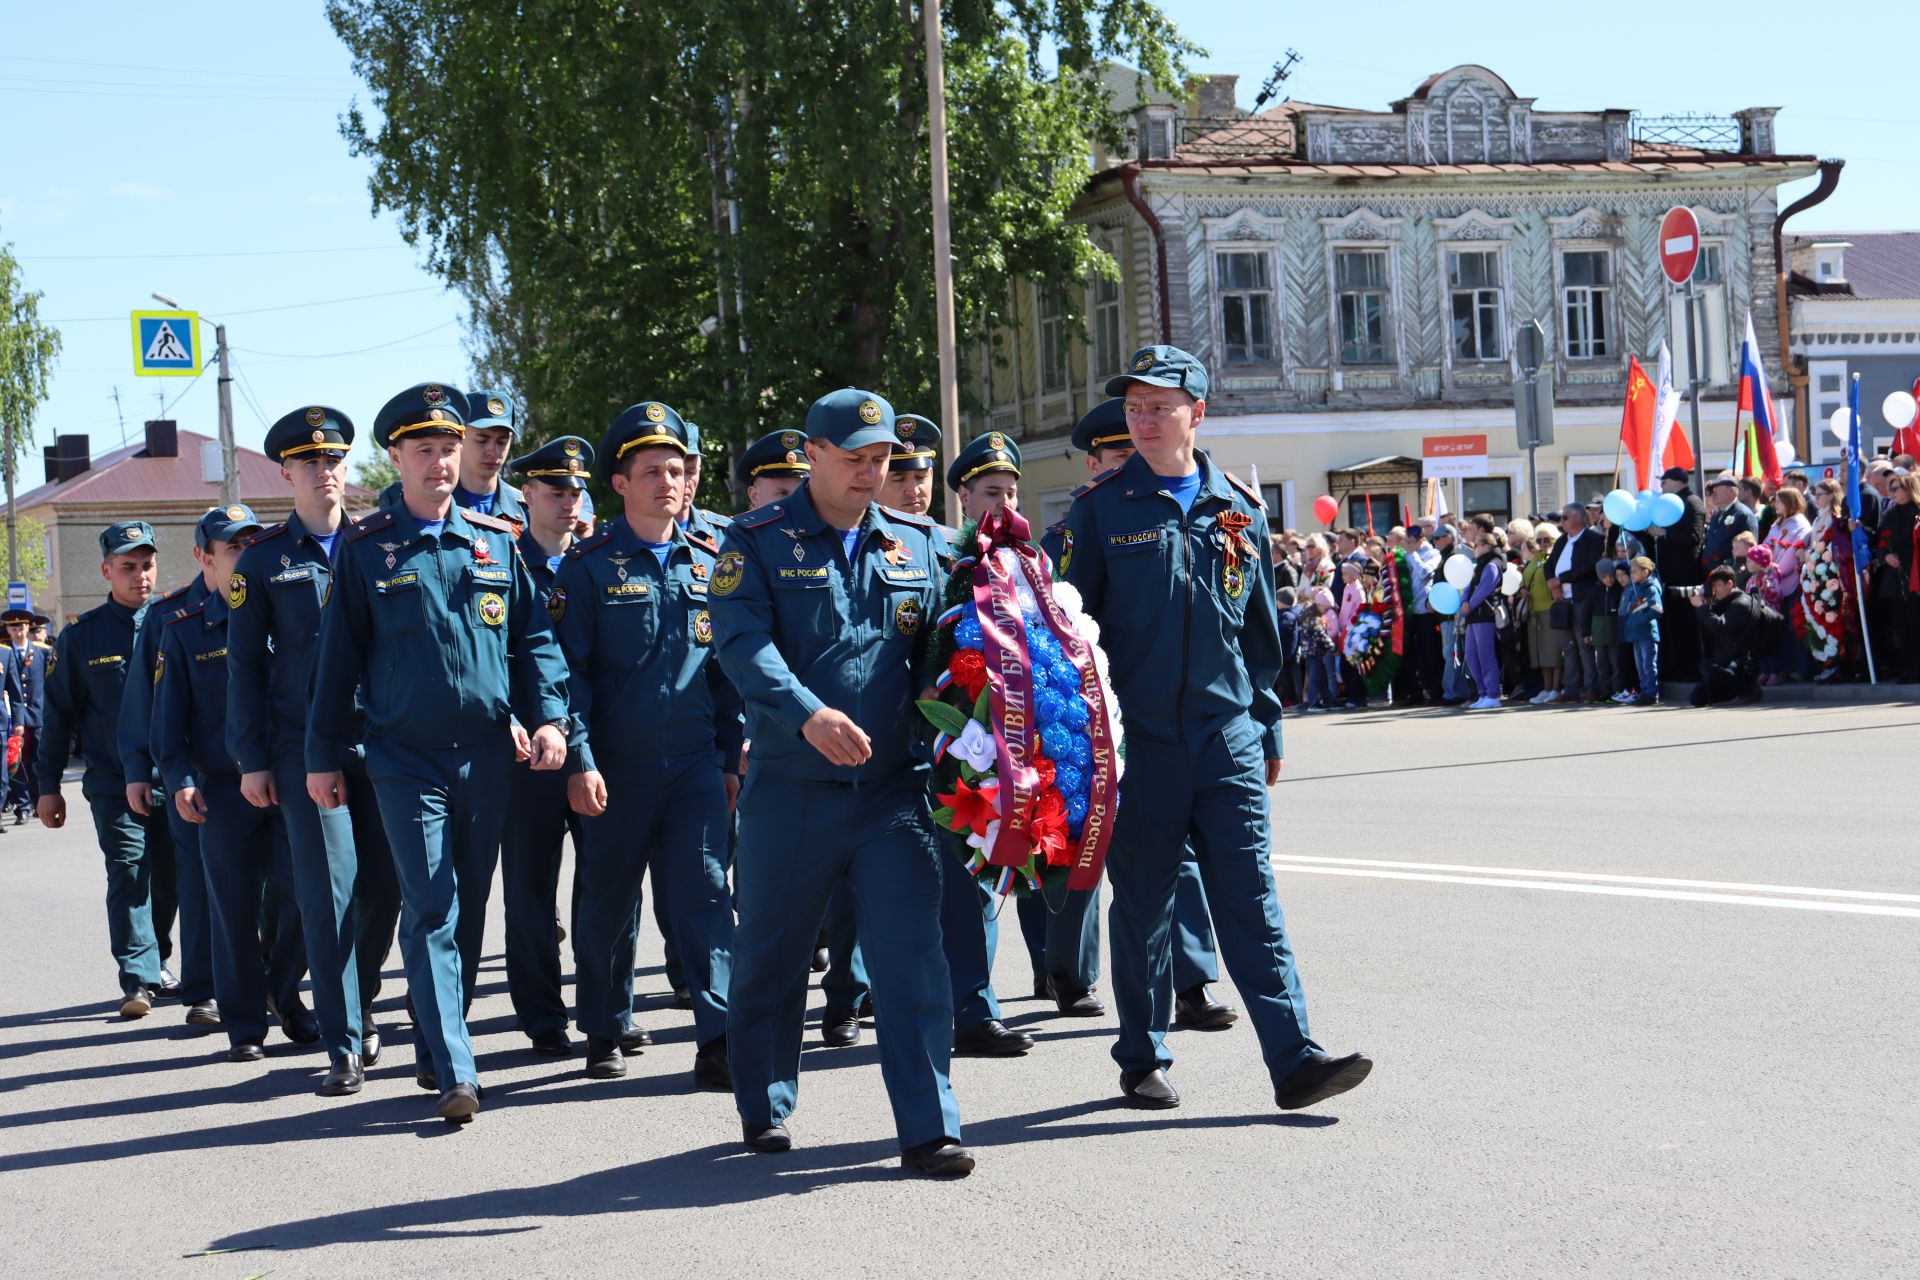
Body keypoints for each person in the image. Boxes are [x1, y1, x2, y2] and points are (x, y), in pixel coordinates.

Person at [1062, 344, 1371, 1114]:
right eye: (1133, 406)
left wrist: (1266, 728)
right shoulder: (1100, 513)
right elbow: (1070, 634)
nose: (1142, 419)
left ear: (1196, 414)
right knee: (1143, 905)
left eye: (1158, 406)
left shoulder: (1239, 509)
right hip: (1142, 746)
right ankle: (1141, 1057)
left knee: (1251, 897)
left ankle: (1295, 1058)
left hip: (1225, 735)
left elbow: (1260, 637)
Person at [710, 387, 973, 1176]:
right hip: (793, 790)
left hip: (893, 794)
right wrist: (804, 713)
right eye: (854, 459)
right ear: (812, 456)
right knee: (771, 957)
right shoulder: (754, 540)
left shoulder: (921, 546)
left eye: (881, 458)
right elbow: (740, 643)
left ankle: (929, 1128)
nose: (870, 473)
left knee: (910, 959)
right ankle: (764, 1104)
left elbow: (954, 651)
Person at [308, 381, 572, 1123]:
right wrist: (322, 754)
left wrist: (548, 717)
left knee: (468, 909)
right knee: (431, 907)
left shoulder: (495, 541)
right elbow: (337, 663)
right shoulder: (365, 549)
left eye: (449, 448)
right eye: (423, 450)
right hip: (403, 757)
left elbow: (533, 642)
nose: (440, 463)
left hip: (487, 754)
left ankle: (432, 1042)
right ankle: (459, 1068)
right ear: (395, 456)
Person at [559, 405, 741, 1089]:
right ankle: (604, 1025)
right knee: (608, 903)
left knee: (704, 897)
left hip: (694, 764)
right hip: (615, 767)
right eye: (651, 472)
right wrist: (579, 759)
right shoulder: (588, 568)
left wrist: (728, 757)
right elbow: (565, 673)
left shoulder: (711, 561)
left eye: (675, 470)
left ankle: (719, 1035)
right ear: (620, 483)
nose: (669, 483)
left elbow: (726, 670)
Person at [1040, 401, 1235, 1030]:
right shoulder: (1077, 530)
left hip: (1161, 725)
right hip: (1092, 726)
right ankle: (1068, 971)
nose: (1134, 463)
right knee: (1083, 854)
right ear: (1094, 464)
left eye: (1135, 450)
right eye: (1118, 456)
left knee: (1174, 862)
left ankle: (1193, 982)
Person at [228, 407, 402, 1094]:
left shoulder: (378, 546)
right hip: (303, 748)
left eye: (335, 460)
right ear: (286, 473)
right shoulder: (263, 562)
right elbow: (244, 668)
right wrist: (252, 759)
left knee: (385, 892)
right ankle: (345, 1041)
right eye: (311, 462)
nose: (326, 471)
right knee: (330, 895)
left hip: (384, 741)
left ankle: (358, 1002)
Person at [153, 503, 317, 1066]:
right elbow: (166, 723)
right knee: (233, 908)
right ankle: (245, 1024)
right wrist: (178, 780)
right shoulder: (182, 629)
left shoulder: (289, 614)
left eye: (253, 545)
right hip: (223, 790)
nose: (245, 559)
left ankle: (284, 987)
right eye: (232, 550)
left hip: (294, 776)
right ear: (206, 559)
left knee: (304, 892)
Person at [37, 522, 181, 1017]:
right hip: (112, 781)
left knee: (169, 878)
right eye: (128, 566)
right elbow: (57, 717)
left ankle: (156, 959)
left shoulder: (178, 619)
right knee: (128, 869)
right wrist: (48, 787)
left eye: (147, 564)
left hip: (177, 778)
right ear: (106, 571)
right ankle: (137, 978)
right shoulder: (81, 637)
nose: (140, 575)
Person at [494, 434, 599, 1059]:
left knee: (602, 886)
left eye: (576, 491)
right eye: (556, 491)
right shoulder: (500, 560)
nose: (568, 502)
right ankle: (541, 1016)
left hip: (593, 748)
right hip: (527, 753)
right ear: (526, 495)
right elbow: (492, 657)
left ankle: (601, 1007)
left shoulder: (597, 561)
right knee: (530, 892)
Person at [934, 431, 1036, 1057]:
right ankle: (863, 989)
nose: (1001, 502)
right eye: (990, 491)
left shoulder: (1030, 565)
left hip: (1010, 742)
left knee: (983, 870)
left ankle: (976, 1006)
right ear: (965, 498)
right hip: (949, 739)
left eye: (1010, 491)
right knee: (949, 878)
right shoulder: (944, 562)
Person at [115, 552, 226, 1031]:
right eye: (232, 545)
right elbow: (144, 700)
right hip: (194, 773)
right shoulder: (167, 615)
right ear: (203, 554)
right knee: (197, 877)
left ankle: (259, 976)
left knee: (273, 884)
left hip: (265, 767)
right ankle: (203, 988)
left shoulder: (265, 595)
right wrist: (139, 769)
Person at [1650, 466, 1709, 682]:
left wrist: (1664, 533)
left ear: (1675, 482)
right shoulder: (1670, 503)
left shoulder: (1692, 503)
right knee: (1673, 624)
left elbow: (1694, 537)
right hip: (1670, 575)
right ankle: (1677, 667)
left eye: (1664, 483)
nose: (1662, 487)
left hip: (1686, 575)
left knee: (1686, 624)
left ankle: (1690, 669)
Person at [1545, 505, 1603, 703]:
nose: (1562, 521)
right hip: (1563, 601)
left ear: (1579, 517)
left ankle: (1591, 688)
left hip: (1581, 599)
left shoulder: (1593, 539)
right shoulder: (1562, 540)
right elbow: (1549, 565)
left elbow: (1588, 567)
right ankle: (1571, 688)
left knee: (1584, 646)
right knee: (1568, 646)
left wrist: (1562, 579)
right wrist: (1552, 583)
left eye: (1566, 517)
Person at [1758, 486, 1812, 685]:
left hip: (1789, 583)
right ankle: (1776, 668)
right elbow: (1766, 546)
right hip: (1771, 582)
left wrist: (1775, 570)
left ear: (1790, 503)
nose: (1775, 504)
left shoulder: (1801, 525)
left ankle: (1798, 669)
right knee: (1775, 629)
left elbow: (1792, 554)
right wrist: (1761, 565)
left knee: (1793, 627)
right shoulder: (1776, 525)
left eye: (1779, 501)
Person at [1689, 566, 1763, 706]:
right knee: (1696, 698)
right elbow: (1708, 631)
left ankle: (1748, 688)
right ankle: (1734, 691)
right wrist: (1707, 604)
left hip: (1742, 663)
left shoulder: (1741, 603)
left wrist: (1702, 608)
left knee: (1706, 666)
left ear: (1729, 584)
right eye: (1712, 586)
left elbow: (1720, 626)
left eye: (1717, 585)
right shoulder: (1723, 601)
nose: (1714, 590)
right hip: (1725, 659)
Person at [1873, 471, 1920, 681]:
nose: (1891, 493)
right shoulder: (1890, 515)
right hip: (1895, 577)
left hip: (1914, 573)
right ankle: (1907, 668)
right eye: (1890, 489)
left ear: (1909, 489)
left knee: (1916, 623)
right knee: (1900, 626)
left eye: (1895, 488)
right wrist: (1886, 556)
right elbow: (1878, 542)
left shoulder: (1917, 512)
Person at [1459, 515, 1505, 710]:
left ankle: (1492, 693)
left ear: (1486, 546)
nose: (1474, 548)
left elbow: (1485, 588)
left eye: (1476, 545)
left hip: (1484, 614)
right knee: (1471, 656)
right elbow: (1469, 587)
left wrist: (1470, 604)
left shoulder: (1493, 563)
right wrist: (1463, 602)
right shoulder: (1478, 565)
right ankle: (1482, 692)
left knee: (1486, 655)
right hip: (1473, 617)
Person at [3, 607, 41, 823]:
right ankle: (22, 806)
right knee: (16, 763)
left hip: (37, 715)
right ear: (8, 629)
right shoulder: (5, 652)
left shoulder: (42, 651)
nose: (18, 632)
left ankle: (39, 800)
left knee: (39, 762)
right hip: (13, 718)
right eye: (13, 628)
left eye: (22, 627)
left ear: (28, 627)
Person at [1522, 531, 1566, 704]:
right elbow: (1525, 579)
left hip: (1550, 608)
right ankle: (1546, 688)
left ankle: (1556, 688)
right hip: (1535, 611)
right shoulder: (1536, 558)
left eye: (1546, 539)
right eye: (1539, 539)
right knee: (1540, 653)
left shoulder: (1554, 558)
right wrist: (1523, 589)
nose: (1542, 542)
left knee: (1553, 652)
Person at [1402, 523, 1443, 703]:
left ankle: (1433, 690)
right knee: (1411, 653)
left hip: (1425, 610)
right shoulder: (1407, 553)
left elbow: (1425, 573)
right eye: (1408, 541)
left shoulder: (1432, 553)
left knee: (1428, 652)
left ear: (1422, 540)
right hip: (1410, 610)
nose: (1410, 544)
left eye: (1413, 541)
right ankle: (1414, 691)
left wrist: (1413, 555)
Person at [1432, 524, 1472, 704]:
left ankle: (1452, 692)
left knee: (1452, 653)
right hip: (1445, 614)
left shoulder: (1456, 558)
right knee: (1451, 653)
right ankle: (1457, 691)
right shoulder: (1443, 558)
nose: (1435, 541)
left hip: (1454, 614)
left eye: (1438, 538)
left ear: (1449, 537)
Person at [1617, 556, 1664, 706]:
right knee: (1640, 665)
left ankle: (1651, 693)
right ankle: (1644, 692)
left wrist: (1639, 620)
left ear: (1645, 572)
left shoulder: (1650, 588)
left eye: (1634, 571)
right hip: (1635, 634)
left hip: (1646, 633)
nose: (1631, 574)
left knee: (1649, 665)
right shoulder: (1634, 589)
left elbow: (1657, 610)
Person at [1702, 474, 1756, 569]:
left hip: (1730, 573)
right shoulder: (1717, 515)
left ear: (1732, 491)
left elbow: (1749, 546)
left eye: (1717, 490)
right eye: (1713, 491)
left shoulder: (1743, 514)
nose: (1713, 494)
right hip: (1712, 571)